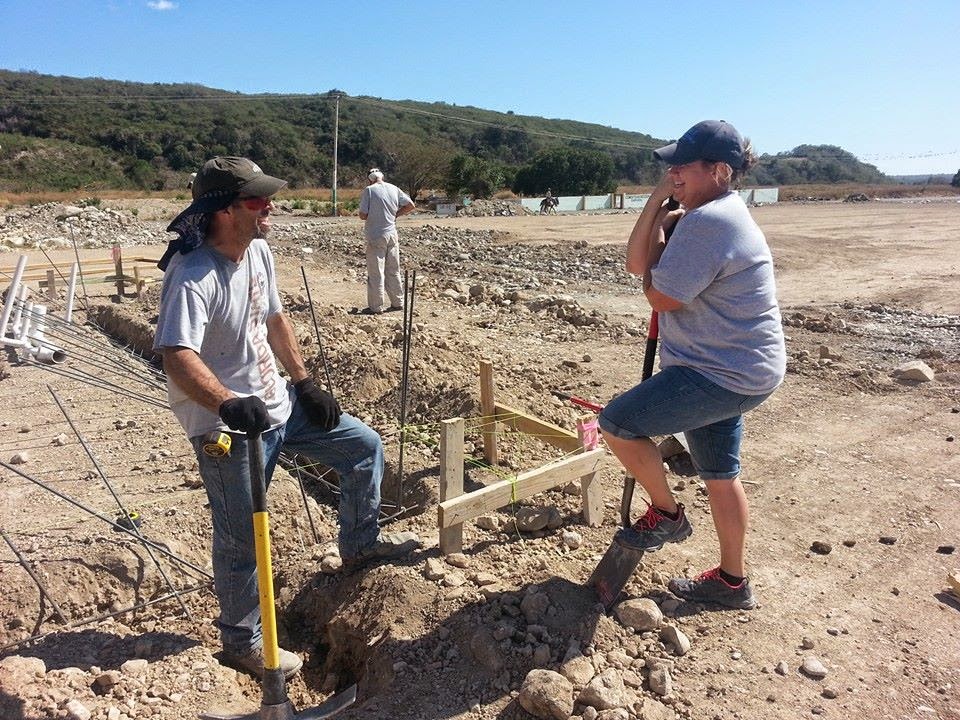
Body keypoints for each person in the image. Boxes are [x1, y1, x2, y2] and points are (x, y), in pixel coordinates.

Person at [153, 157, 420, 680]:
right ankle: (243, 641)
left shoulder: (258, 251)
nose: (269, 207)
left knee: (363, 447)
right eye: (257, 200)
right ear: (225, 211)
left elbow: (274, 318)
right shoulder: (192, 274)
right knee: (242, 538)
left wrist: (303, 382)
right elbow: (176, 355)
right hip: (229, 428)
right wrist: (226, 402)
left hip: (278, 404)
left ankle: (360, 546)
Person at [598, 121, 786, 610]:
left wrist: (662, 236)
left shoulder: (710, 222)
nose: (673, 174)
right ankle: (732, 583)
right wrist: (656, 209)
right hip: (740, 368)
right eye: (670, 166)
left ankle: (666, 514)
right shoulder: (706, 214)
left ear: (719, 171)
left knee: (618, 424)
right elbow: (637, 265)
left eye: (683, 166)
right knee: (720, 474)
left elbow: (660, 295)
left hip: (718, 373)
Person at [357, 168, 415, 315]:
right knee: (393, 270)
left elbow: (363, 215)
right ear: (382, 177)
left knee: (376, 273)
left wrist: (374, 214)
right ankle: (398, 302)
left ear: (370, 179)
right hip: (392, 235)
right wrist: (395, 215)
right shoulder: (394, 188)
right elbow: (410, 205)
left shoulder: (369, 190)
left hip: (376, 236)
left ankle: (376, 307)